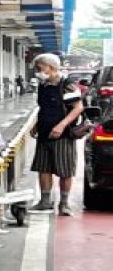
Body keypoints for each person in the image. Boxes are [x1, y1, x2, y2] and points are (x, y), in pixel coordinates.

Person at [29, 53, 84, 216]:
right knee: (43, 167)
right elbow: (43, 107)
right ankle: (45, 201)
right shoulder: (44, 85)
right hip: (44, 133)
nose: (38, 71)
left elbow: (78, 107)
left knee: (65, 168)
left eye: (39, 68)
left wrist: (61, 125)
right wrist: (37, 125)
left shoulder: (67, 85)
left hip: (64, 135)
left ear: (50, 67)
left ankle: (64, 204)